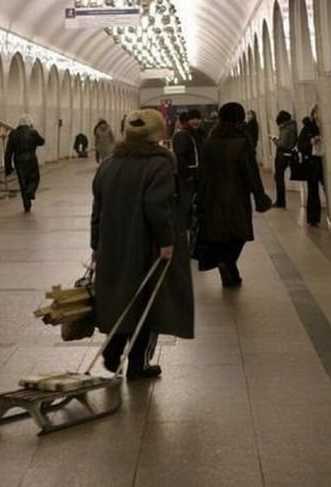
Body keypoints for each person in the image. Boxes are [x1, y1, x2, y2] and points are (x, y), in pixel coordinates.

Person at [91, 108, 194, 380]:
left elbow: (97, 207)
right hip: (147, 244)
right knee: (150, 302)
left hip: (112, 243)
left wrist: (95, 243)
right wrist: (166, 241)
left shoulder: (109, 163)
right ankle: (138, 364)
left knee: (122, 298)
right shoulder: (160, 163)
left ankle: (114, 348)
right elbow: (157, 206)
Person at [195, 102, 272, 288]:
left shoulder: (209, 142)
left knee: (220, 233)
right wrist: (259, 196)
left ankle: (228, 266)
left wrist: (200, 195)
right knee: (239, 234)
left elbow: (202, 172)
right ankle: (228, 263)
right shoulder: (241, 142)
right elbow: (250, 172)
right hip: (236, 194)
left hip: (212, 195)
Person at [4, 115, 45, 212]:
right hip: (31, 159)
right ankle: (30, 191)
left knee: (22, 183)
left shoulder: (13, 134)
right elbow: (42, 141)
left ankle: (26, 204)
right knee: (34, 178)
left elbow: (8, 152)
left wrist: (8, 167)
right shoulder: (32, 132)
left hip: (18, 161)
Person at [171, 108, 204, 226]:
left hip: (196, 176)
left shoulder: (196, 134)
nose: (196, 121)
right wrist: (186, 175)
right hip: (188, 177)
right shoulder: (183, 135)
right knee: (186, 205)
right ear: (187, 120)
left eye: (198, 118)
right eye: (193, 119)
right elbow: (180, 157)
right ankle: (185, 229)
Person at [296, 105, 324, 227]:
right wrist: (311, 142)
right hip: (312, 162)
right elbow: (300, 146)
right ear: (313, 114)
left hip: (323, 162)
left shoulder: (324, 127)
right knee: (313, 191)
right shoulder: (307, 129)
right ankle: (313, 218)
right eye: (317, 112)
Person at [270, 110, 298, 208]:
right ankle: (280, 201)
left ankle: (280, 201)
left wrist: (275, 140)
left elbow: (283, 144)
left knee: (279, 178)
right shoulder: (292, 127)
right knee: (279, 178)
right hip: (289, 154)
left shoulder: (286, 130)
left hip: (282, 155)